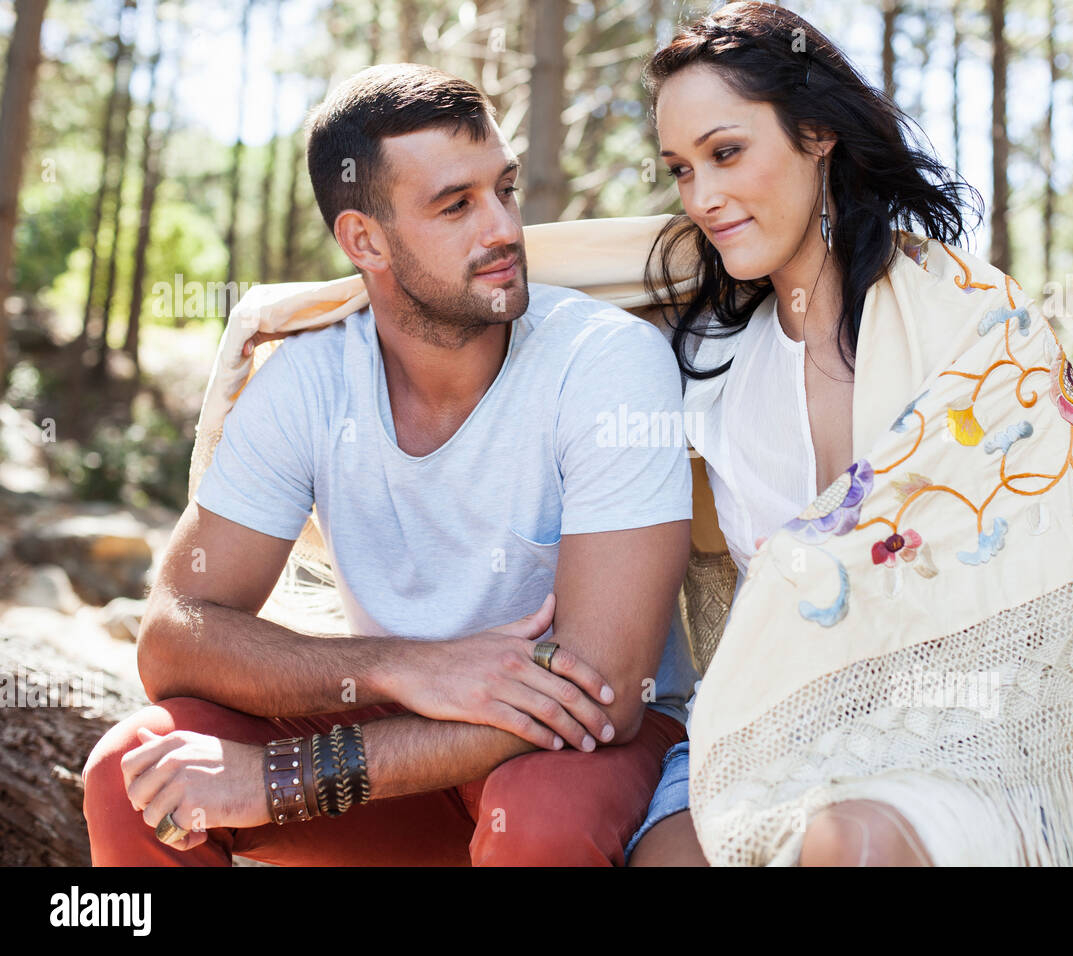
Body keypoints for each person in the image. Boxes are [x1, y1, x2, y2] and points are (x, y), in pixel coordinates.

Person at [623, 1, 1073, 866]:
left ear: (816, 133)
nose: (704, 198)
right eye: (681, 171)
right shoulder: (708, 363)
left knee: (852, 844)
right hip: (771, 729)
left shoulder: (977, 328)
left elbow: (1050, 551)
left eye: (726, 153)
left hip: (964, 738)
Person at [79, 63, 699, 866]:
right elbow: (172, 637)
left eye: (503, 189)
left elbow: (602, 696)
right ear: (363, 239)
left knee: (543, 815)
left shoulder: (608, 362)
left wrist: (287, 777)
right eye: (456, 205)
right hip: (401, 750)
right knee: (134, 777)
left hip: (569, 752)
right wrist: (406, 668)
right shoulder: (308, 380)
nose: (504, 229)